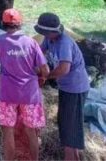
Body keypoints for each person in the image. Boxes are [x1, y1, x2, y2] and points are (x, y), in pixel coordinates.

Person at [0, 9, 49, 161]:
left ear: (3, 23)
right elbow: (45, 69)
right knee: (31, 131)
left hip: (7, 93)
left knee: (8, 131)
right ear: (20, 24)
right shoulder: (31, 42)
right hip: (30, 93)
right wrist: (42, 80)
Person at [35, 13, 90, 161]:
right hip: (66, 87)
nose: (43, 35)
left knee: (69, 125)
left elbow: (64, 69)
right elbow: (39, 52)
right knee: (64, 122)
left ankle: (70, 157)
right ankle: (74, 156)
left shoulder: (64, 43)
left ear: (52, 31)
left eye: (44, 33)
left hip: (75, 88)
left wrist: (45, 76)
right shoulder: (49, 39)